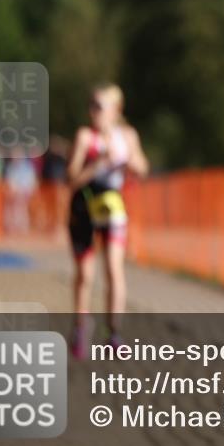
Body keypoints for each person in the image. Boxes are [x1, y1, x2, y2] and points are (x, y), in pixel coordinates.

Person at [66, 83, 149, 358]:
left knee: (114, 269)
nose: (94, 112)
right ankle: (81, 327)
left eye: (99, 107)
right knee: (85, 274)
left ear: (116, 110)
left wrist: (128, 162)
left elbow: (142, 167)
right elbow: (71, 179)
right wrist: (97, 163)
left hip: (112, 206)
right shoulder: (84, 137)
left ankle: (114, 332)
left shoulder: (126, 135)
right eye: (91, 106)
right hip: (84, 207)